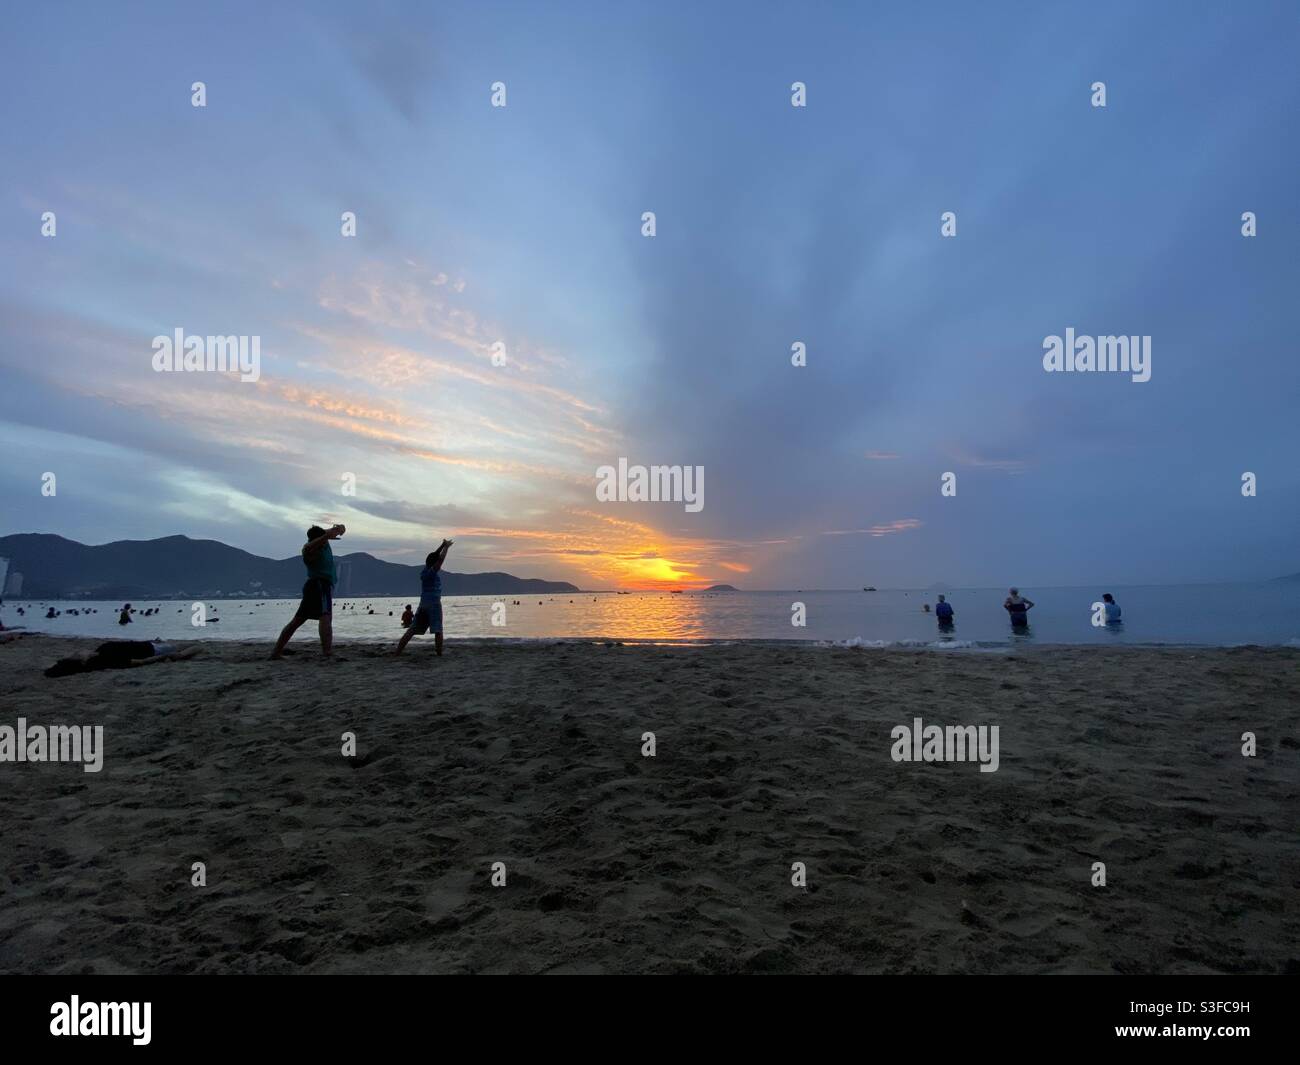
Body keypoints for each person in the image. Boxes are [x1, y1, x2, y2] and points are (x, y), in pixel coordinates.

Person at [271, 524, 345, 659]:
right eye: (323, 538)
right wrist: (326, 536)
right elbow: (308, 547)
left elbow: (335, 530)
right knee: (325, 618)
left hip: (316, 586)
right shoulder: (309, 550)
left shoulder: (323, 541)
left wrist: (338, 529)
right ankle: (327, 652)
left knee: (297, 621)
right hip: (319, 585)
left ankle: (276, 653)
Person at [396, 539, 452, 656]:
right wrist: (446, 548)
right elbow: (439, 560)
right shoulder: (431, 573)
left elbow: (434, 557)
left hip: (423, 604)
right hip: (434, 604)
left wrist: (442, 545)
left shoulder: (424, 571)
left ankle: (398, 652)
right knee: (438, 630)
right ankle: (439, 653)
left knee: (411, 630)